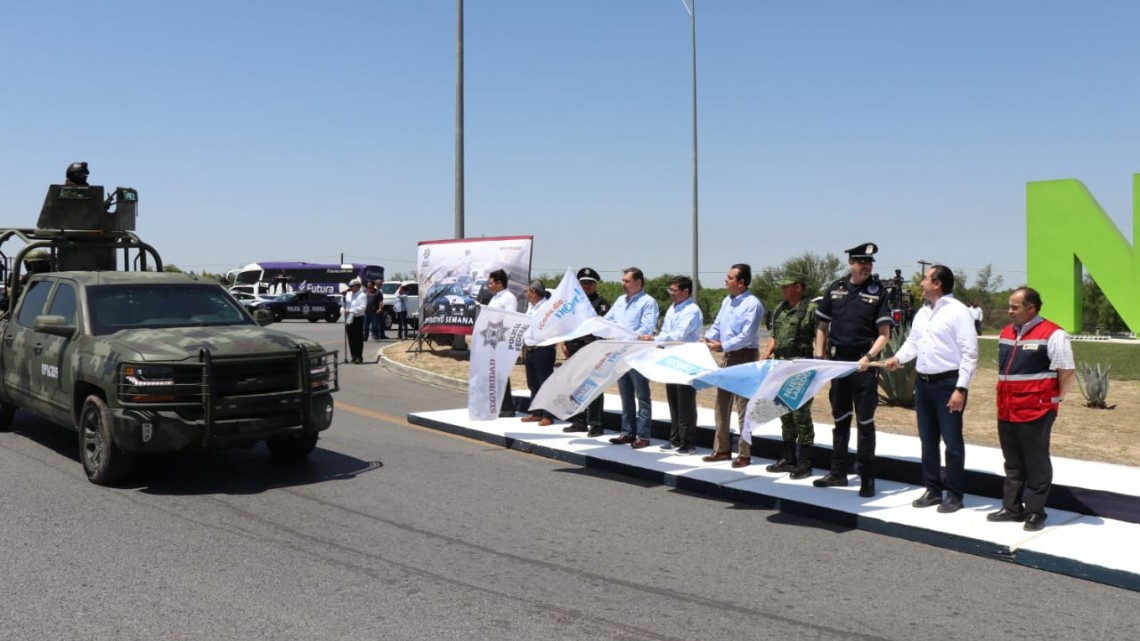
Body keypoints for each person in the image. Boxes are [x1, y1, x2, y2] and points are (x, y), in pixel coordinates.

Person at [884, 265, 978, 512]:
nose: (921, 282)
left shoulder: (958, 312)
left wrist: (961, 388)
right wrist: (898, 359)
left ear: (938, 284)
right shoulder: (922, 313)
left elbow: (969, 354)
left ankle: (955, 494)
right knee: (928, 440)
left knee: (952, 442)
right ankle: (933, 489)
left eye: (925, 278)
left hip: (948, 384)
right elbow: (912, 343)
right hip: (923, 384)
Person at [988, 287, 1075, 531]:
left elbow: (1067, 372)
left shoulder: (1053, 334)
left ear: (1031, 308)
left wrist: (1055, 401)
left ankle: (1035, 512)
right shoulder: (1006, 332)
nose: (1009, 311)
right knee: (1013, 462)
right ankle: (1012, 508)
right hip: (1007, 409)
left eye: (1014, 307)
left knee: (1036, 462)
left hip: (1036, 410)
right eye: (1009, 306)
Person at [813, 243, 894, 497]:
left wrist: (869, 357)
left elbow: (885, 334)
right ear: (851, 263)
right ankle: (838, 472)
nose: (866, 265)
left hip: (863, 367)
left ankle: (867, 478)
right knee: (840, 419)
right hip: (838, 366)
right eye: (861, 261)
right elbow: (821, 326)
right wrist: (819, 357)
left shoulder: (878, 292)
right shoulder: (835, 288)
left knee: (865, 422)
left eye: (869, 262)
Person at [700, 263, 764, 467]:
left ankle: (744, 454)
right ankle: (722, 449)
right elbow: (717, 326)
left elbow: (747, 336)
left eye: (729, 277)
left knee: (743, 406)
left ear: (741, 282)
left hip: (744, 356)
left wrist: (723, 345)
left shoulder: (752, 304)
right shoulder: (727, 301)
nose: (725, 280)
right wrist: (707, 338)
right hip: (728, 356)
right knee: (721, 404)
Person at [759, 272, 818, 478]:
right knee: (784, 412)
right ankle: (788, 458)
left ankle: (805, 462)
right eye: (783, 286)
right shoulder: (780, 309)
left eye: (787, 286)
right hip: (780, 366)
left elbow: (821, 336)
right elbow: (774, 336)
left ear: (799, 287)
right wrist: (767, 353)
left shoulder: (811, 309)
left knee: (800, 414)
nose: (783, 290)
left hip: (801, 365)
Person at [639, 275, 703, 455]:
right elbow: (666, 331)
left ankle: (688, 442)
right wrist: (659, 340)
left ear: (686, 291)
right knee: (673, 400)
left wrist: (656, 339)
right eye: (670, 291)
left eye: (674, 291)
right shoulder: (672, 309)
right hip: (671, 358)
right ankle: (675, 439)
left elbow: (678, 335)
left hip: (686, 359)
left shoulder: (692, 310)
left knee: (686, 402)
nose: (671, 294)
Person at [603, 267, 659, 448]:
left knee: (642, 396)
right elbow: (608, 320)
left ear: (638, 282)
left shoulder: (648, 302)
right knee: (625, 395)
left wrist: (624, 336)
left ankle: (643, 435)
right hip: (620, 354)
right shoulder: (620, 301)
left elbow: (646, 328)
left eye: (627, 281)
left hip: (638, 354)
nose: (623, 284)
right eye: (623, 280)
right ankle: (627, 432)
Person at [561, 267, 611, 436]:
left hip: (592, 349)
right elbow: (567, 324)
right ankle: (579, 421)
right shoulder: (573, 303)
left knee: (593, 387)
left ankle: (596, 424)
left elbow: (602, 328)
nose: (586, 286)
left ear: (595, 285)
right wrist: (564, 342)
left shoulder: (601, 304)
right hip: (574, 348)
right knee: (575, 386)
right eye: (583, 283)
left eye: (590, 283)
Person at [521, 280, 557, 427]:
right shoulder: (531, 307)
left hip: (543, 350)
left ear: (534, 293)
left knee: (545, 384)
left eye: (527, 291)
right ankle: (536, 412)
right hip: (530, 349)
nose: (526, 294)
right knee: (533, 384)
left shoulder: (548, 308)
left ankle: (548, 415)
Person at [486, 269, 519, 417]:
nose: (489, 285)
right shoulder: (494, 298)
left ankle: (507, 408)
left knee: (501, 373)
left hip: (502, 340)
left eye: (491, 282)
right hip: (492, 339)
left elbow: (510, 319)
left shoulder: (508, 297)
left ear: (500, 283)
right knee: (494, 373)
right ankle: (498, 404)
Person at [342, 278, 367, 363]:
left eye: (352, 286)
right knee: (351, 338)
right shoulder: (348, 295)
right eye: (350, 287)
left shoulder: (362, 295)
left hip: (357, 318)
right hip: (349, 317)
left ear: (357, 286)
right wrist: (343, 297)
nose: (351, 288)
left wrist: (351, 311)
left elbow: (362, 308)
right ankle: (353, 356)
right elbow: (343, 305)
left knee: (358, 338)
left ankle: (359, 357)